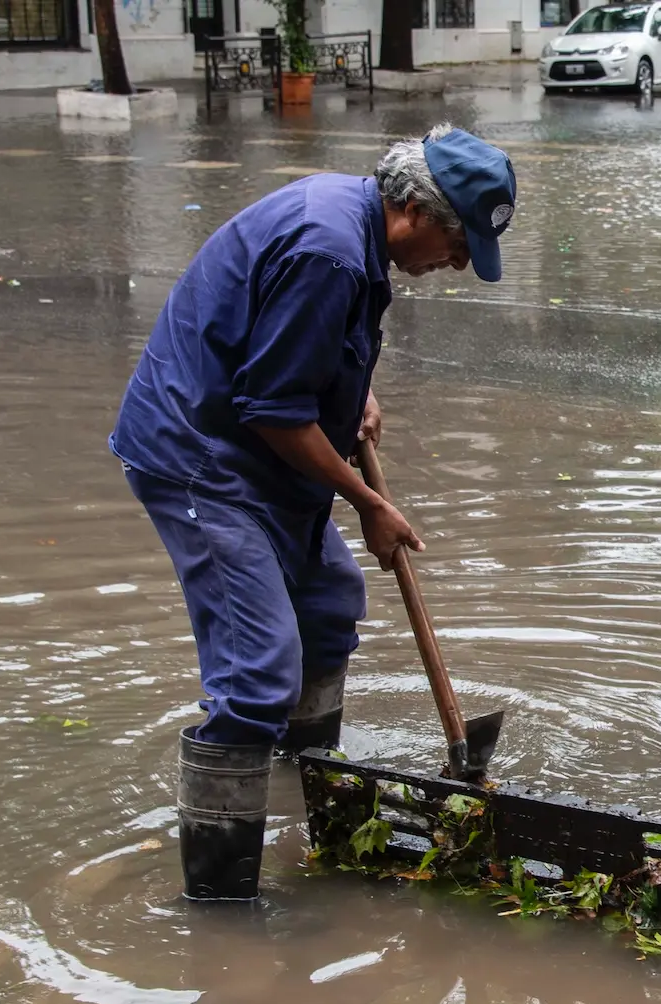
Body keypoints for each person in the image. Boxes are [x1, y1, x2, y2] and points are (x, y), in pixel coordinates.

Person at [111, 123, 518, 900]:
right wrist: (368, 503)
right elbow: (271, 408)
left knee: (329, 607)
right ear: (416, 213)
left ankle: (305, 796)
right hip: (206, 460)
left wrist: (353, 391)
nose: (459, 263)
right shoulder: (329, 251)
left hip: (264, 456)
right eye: (460, 242)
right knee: (259, 673)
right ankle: (221, 902)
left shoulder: (357, 234)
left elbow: (299, 355)